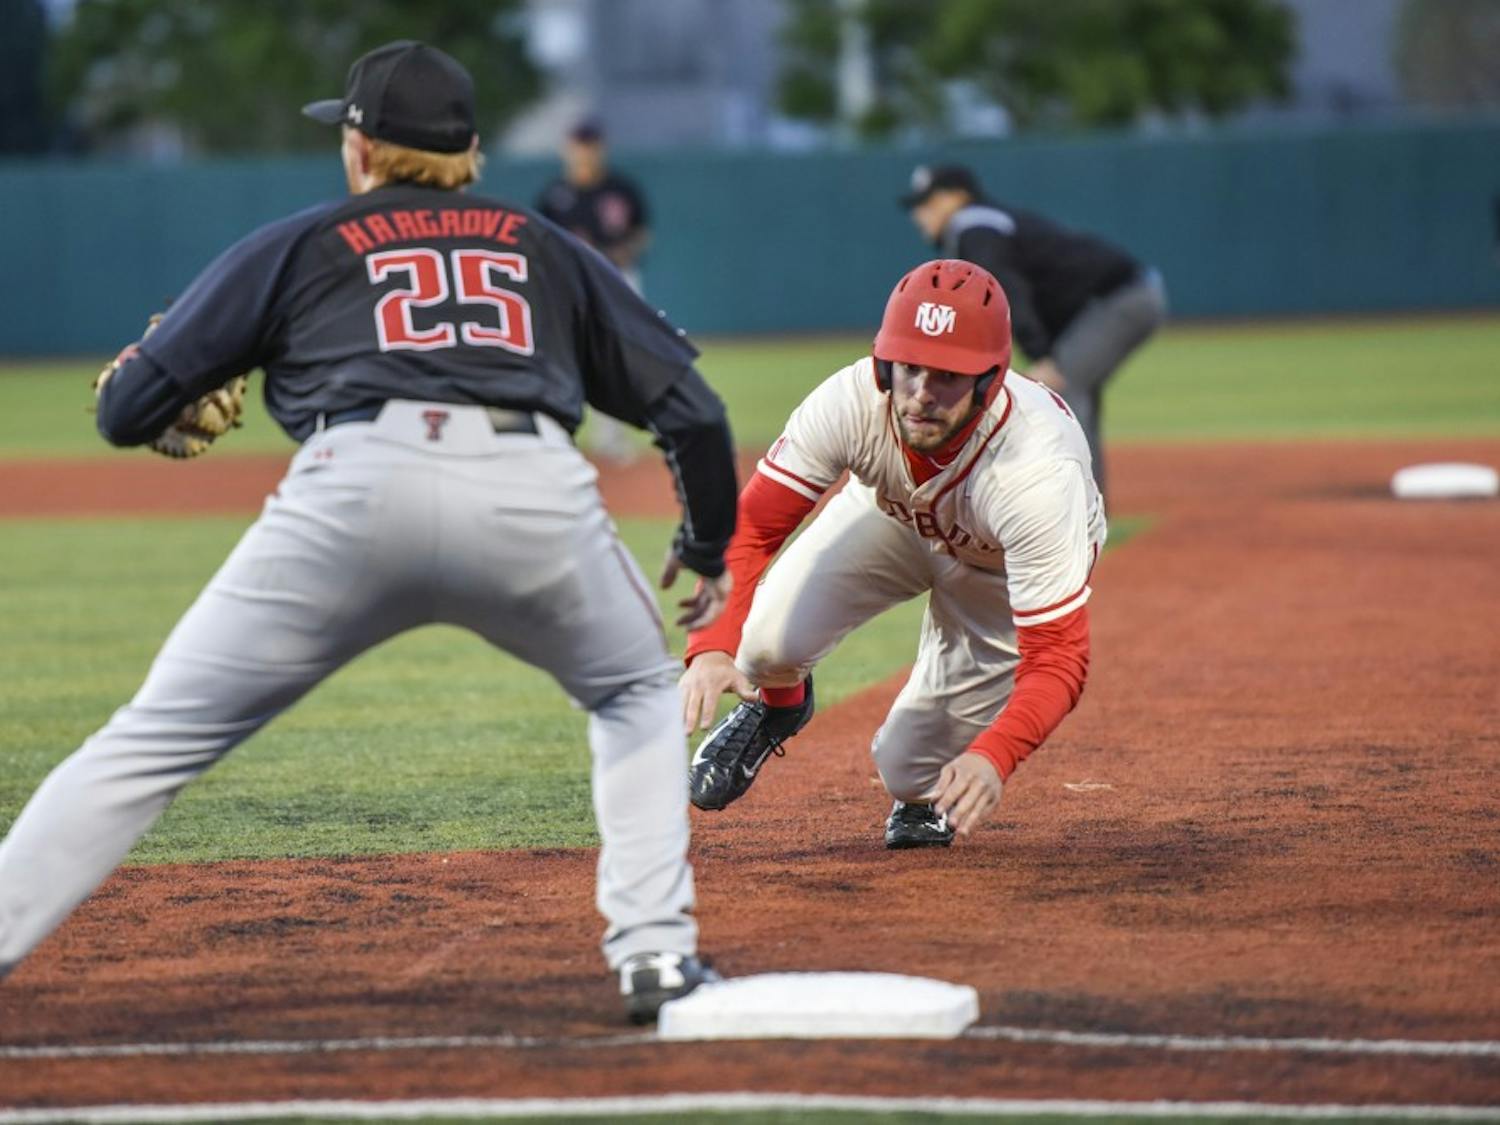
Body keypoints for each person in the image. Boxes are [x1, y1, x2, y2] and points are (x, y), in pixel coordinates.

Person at [0, 41, 736, 1025]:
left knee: (151, 742)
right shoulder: (545, 246)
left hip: (350, 491)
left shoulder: (300, 244)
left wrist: (175, 381)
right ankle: (654, 955)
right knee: (637, 696)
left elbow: (125, 412)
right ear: (471, 153)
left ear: (358, 148)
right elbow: (692, 414)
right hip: (529, 491)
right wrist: (705, 540)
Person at [681, 260, 1106, 849]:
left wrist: (994, 755)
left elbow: (1058, 658)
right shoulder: (853, 399)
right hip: (893, 513)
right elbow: (751, 526)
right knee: (760, 645)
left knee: (909, 771)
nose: (921, 395)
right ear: (885, 362)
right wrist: (708, 648)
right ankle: (780, 707)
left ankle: (921, 794)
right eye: (908, 368)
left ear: (990, 378)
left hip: (995, 572)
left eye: (949, 376)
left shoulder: (1037, 474)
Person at [903, 164, 1166, 499]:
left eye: (928, 202)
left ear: (957, 197)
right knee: (1071, 392)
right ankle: (1089, 510)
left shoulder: (973, 227)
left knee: (1062, 392)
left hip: (1119, 300)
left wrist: (1039, 354)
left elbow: (1007, 287)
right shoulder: (981, 223)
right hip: (1117, 298)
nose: (919, 214)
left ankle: (1079, 512)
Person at [537, 119, 652, 462]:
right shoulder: (554, 194)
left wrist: (624, 250)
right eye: (579, 145)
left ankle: (612, 439)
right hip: (571, 285)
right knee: (564, 359)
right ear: (568, 149)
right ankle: (557, 435)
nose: (585, 152)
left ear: (600, 148)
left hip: (618, 280)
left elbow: (642, 233)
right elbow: (541, 242)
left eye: (591, 145)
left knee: (618, 361)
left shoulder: (621, 188)